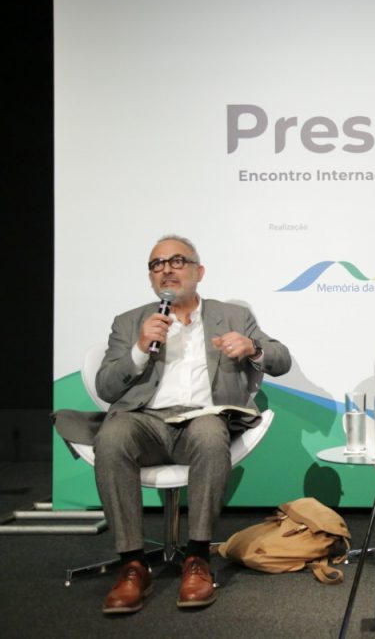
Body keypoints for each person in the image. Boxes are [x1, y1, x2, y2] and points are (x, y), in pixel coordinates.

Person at [55, 235, 291, 614]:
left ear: (200, 272)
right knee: (113, 435)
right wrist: (138, 349)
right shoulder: (129, 321)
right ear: (151, 278)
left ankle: (197, 558)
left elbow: (282, 359)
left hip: (203, 418)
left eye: (177, 261)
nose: (166, 269)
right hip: (144, 422)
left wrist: (253, 348)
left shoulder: (233, 316)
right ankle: (132, 564)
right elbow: (106, 387)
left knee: (210, 432)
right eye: (157, 264)